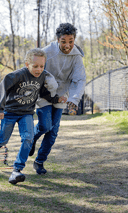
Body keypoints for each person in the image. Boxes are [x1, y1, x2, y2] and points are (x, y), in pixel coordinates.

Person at [0, 48, 67, 184]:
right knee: (3, 139)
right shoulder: (17, 75)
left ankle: (17, 170)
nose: (39, 69)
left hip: (26, 113)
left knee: (28, 139)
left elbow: (42, 92)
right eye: (35, 66)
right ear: (27, 64)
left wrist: (56, 99)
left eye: (42, 66)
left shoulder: (42, 76)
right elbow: (2, 87)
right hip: (10, 112)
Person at [29, 23, 87, 175]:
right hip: (45, 95)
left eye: (71, 41)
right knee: (45, 126)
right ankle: (32, 138)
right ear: (57, 40)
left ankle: (39, 161)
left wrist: (74, 99)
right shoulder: (47, 52)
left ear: (74, 40)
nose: (67, 45)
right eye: (63, 41)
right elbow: (35, 70)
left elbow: (79, 79)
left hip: (61, 97)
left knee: (53, 132)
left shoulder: (76, 56)